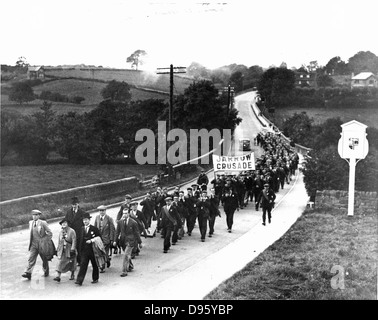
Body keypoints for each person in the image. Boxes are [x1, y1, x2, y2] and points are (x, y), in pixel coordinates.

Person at [22, 209, 53, 280]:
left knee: (44, 258)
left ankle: (46, 271)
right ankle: (28, 272)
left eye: (36, 215)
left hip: (42, 244)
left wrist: (45, 241)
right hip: (33, 244)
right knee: (31, 258)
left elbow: (50, 233)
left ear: (39, 216)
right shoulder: (30, 223)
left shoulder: (43, 223)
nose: (34, 217)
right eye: (33, 215)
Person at [75, 212, 102, 286]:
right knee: (83, 264)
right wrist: (78, 249)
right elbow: (78, 240)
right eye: (84, 220)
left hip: (93, 250)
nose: (85, 221)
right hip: (84, 251)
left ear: (89, 220)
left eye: (86, 220)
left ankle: (95, 278)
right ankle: (79, 280)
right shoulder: (81, 229)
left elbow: (99, 237)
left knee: (94, 264)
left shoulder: (94, 229)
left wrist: (92, 240)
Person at [114, 209, 142, 277]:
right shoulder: (120, 222)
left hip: (131, 241)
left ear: (129, 214)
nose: (124, 215)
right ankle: (130, 265)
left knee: (126, 255)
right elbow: (117, 232)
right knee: (127, 255)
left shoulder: (133, 222)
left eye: (126, 213)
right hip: (123, 241)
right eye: (123, 213)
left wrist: (139, 242)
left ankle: (124, 271)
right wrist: (115, 241)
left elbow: (136, 233)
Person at [53, 218, 77, 282]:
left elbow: (74, 241)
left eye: (65, 223)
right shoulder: (61, 232)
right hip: (62, 250)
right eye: (62, 223)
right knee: (60, 262)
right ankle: (58, 276)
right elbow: (59, 241)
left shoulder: (72, 231)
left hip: (69, 249)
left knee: (71, 263)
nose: (63, 224)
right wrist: (57, 249)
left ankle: (72, 274)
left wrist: (72, 249)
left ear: (68, 224)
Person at [94, 205, 115, 272]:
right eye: (100, 211)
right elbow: (94, 228)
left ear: (105, 211)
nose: (101, 212)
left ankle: (104, 264)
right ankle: (104, 263)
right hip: (98, 239)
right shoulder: (97, 218)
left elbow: (112, 229)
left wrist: (111, 239)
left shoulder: (109, 218)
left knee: (104, 252)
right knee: (99, 252)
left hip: (106, 239)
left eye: (103, 211)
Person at [65, 196, 85, 264]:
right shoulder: (68, 212)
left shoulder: (82, 212)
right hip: (71, 232)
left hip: (79, 232)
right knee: (71, 246)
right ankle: (73, 260)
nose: (74, 206)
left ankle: (79, 260)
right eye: (73, 204)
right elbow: (66, 221)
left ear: (78, 204)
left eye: (75, 204)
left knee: (79, 246)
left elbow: (84, 223)